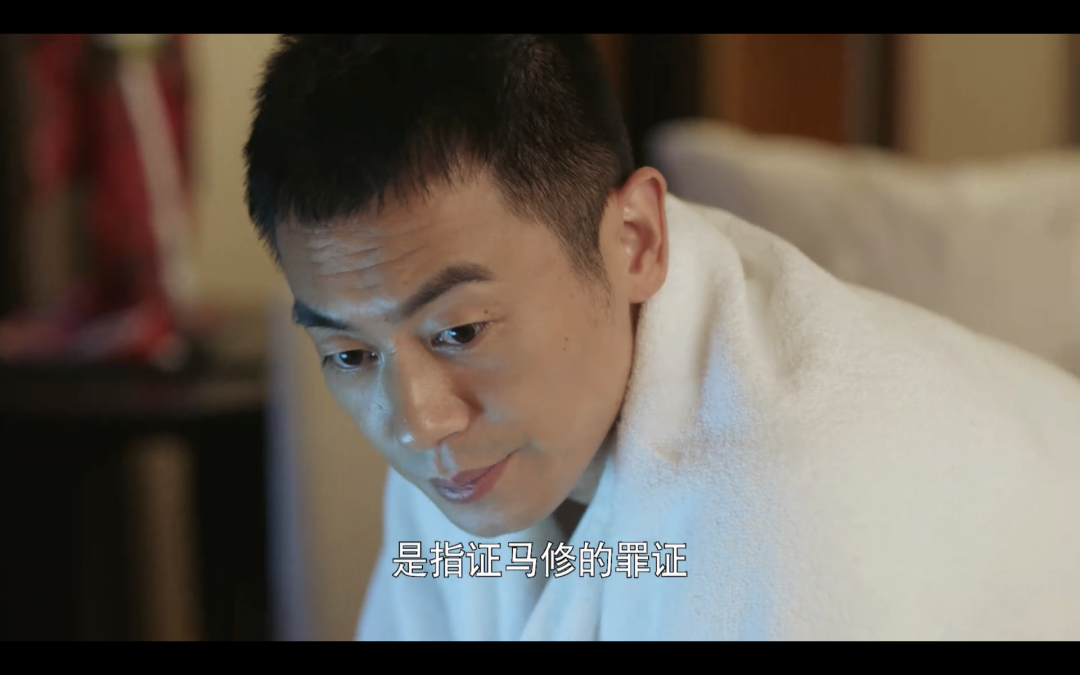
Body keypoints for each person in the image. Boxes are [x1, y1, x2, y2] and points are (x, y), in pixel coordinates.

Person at [244, 35, 1080, 640]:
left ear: (636, 240)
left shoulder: (795, 513)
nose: (415, 421)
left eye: (460, 330)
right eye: (349, 354)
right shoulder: (456, 432)